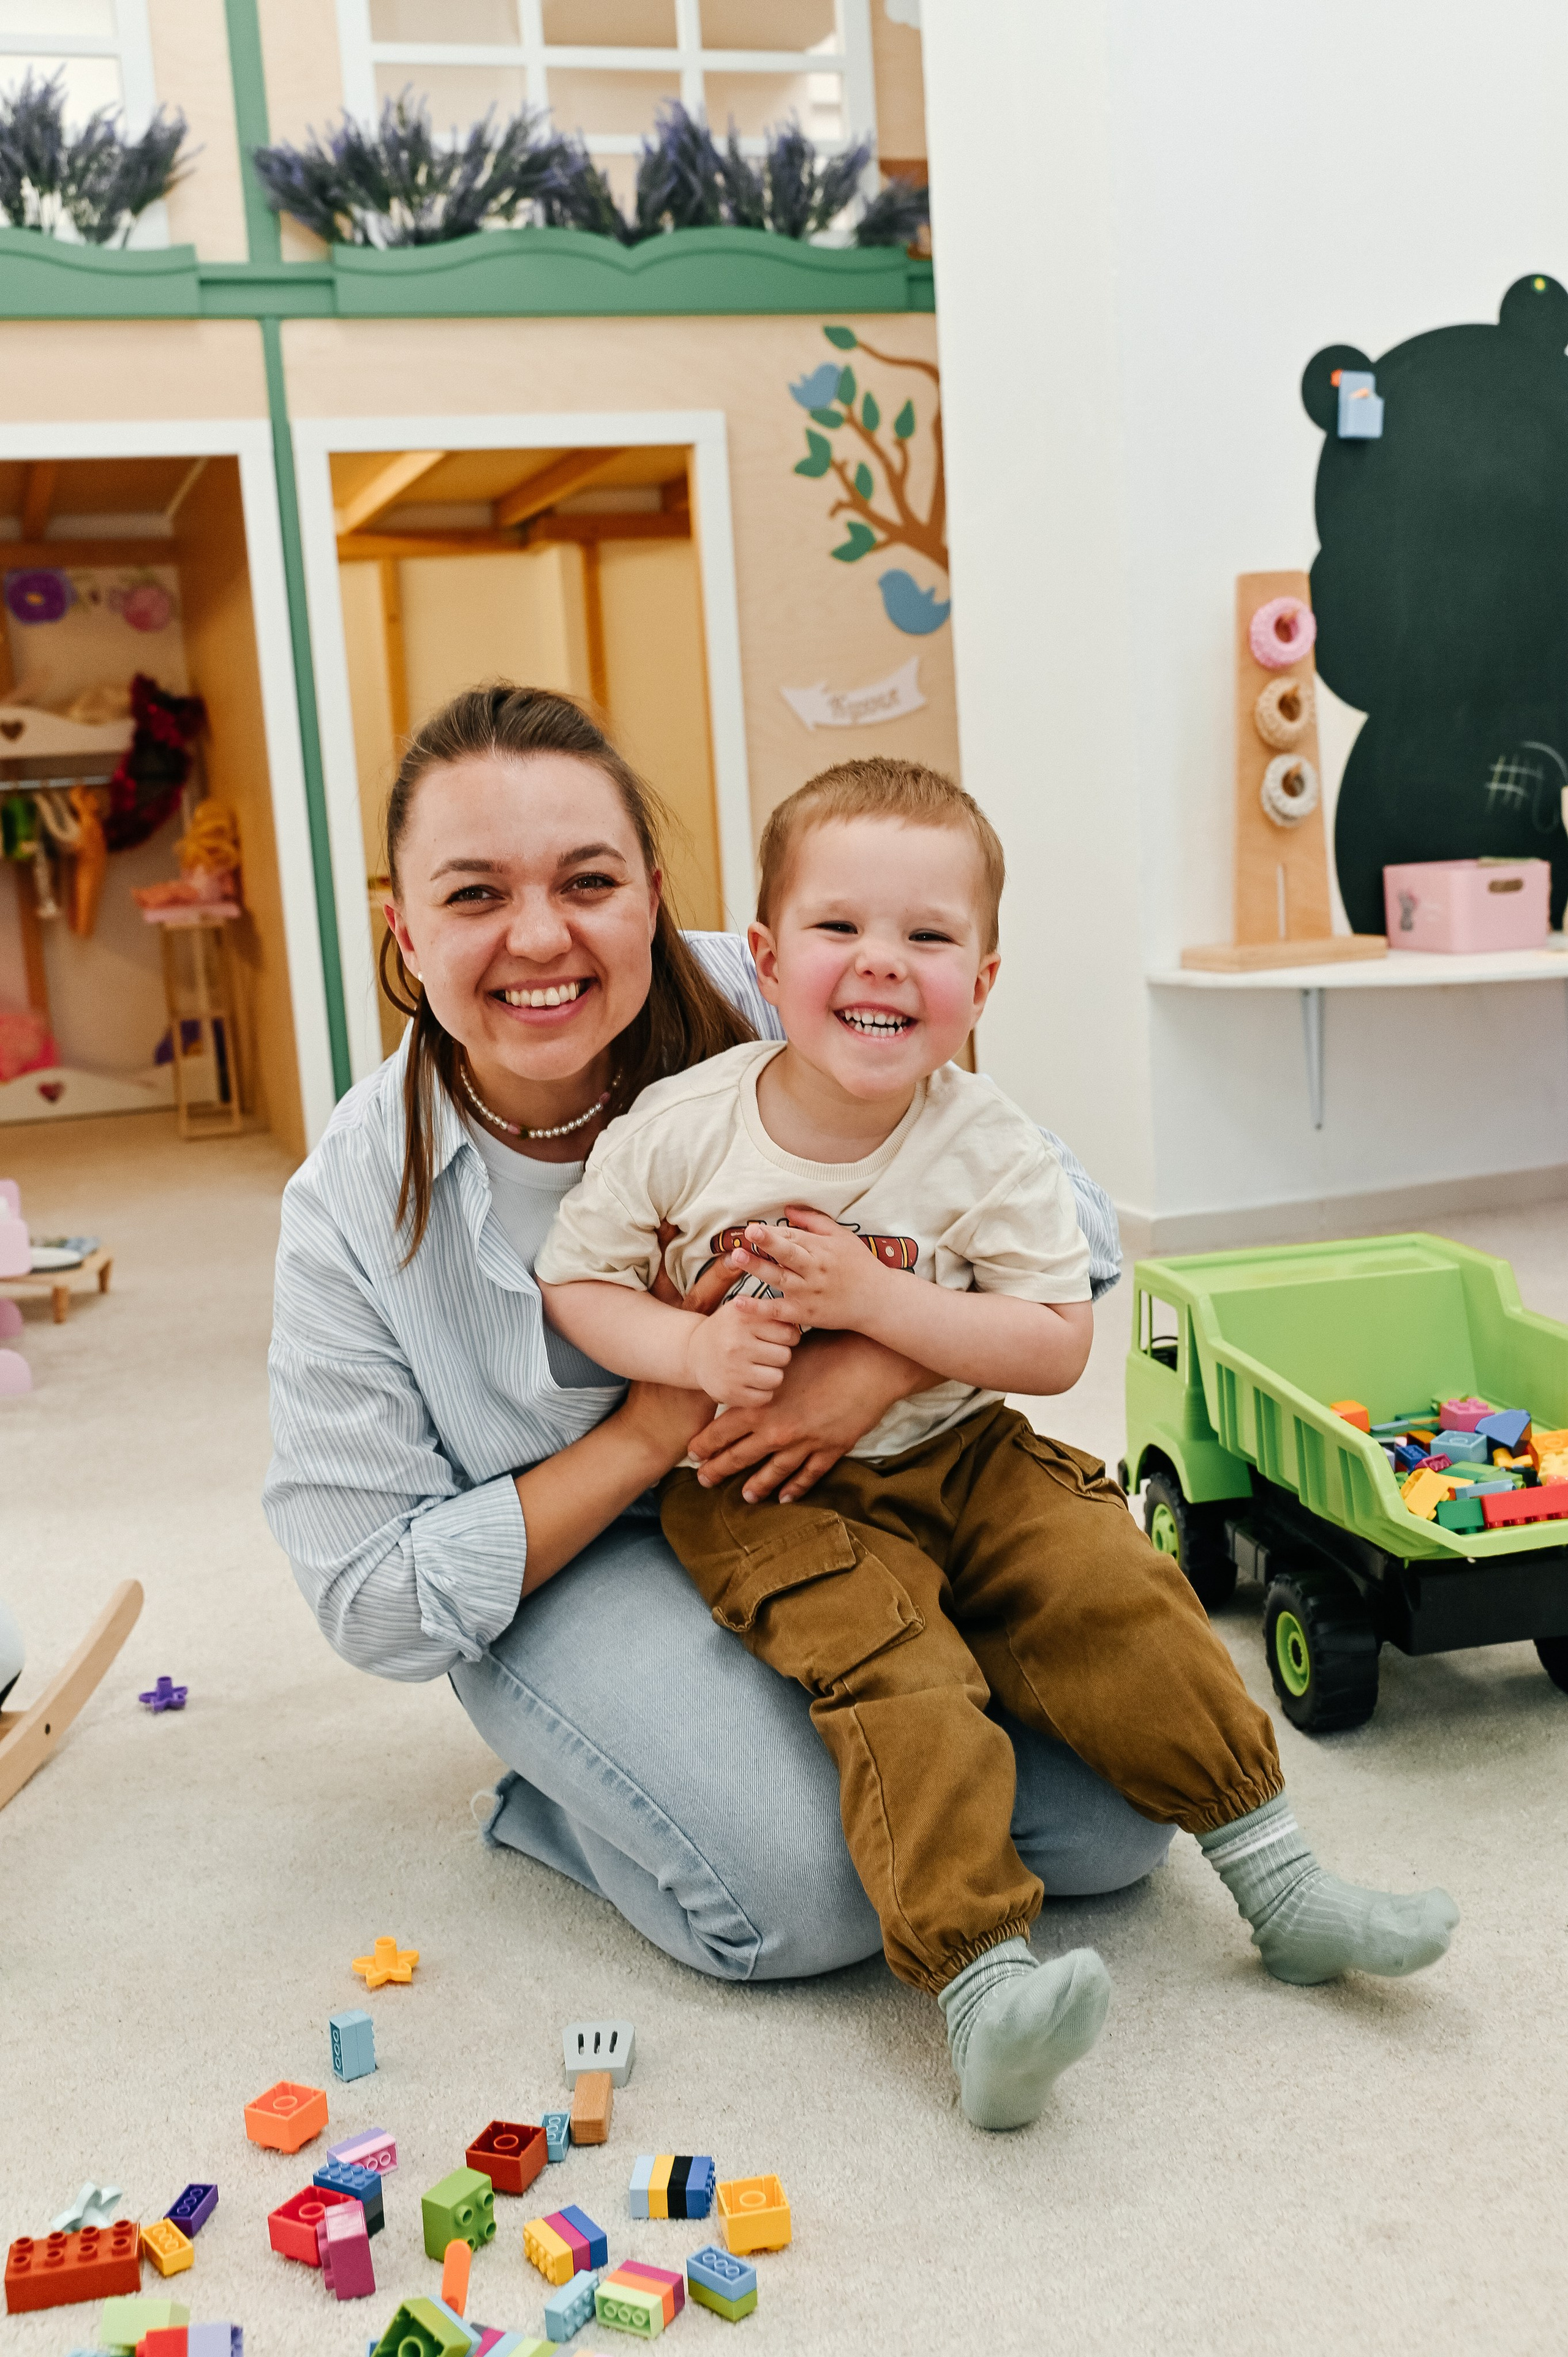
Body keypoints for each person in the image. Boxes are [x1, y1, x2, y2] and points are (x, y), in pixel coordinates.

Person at [536, 756, 1460, 2132]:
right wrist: (685, 1353)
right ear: (766, 956)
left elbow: (1050, 1339)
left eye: (929, 936)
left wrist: (878, 1306)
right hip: (763, 1494)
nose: (883, 965)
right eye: (841, 929)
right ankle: (979, 1991)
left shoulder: (990, 1142)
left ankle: (1276, 1880)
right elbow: (577, 1280)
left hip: (961, 1450)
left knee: (1121, 1587)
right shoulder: (683, 1129)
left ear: (984, 977)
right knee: (898, 1674)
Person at [264, 685, 1175, 1997]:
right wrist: (648, 1429)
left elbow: (1067, 1225)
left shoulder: (787, 981)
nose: (539, 937)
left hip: (842, 1497)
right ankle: (567, 1804)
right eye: (472, 896)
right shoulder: (352, 1201)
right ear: (403, 933)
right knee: (803, 1898)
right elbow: (370, 1597)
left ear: (649, 894)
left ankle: (766, 1749)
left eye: (587, 880)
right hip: (578, 1565)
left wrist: (869, 1360)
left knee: (1116, 1818)